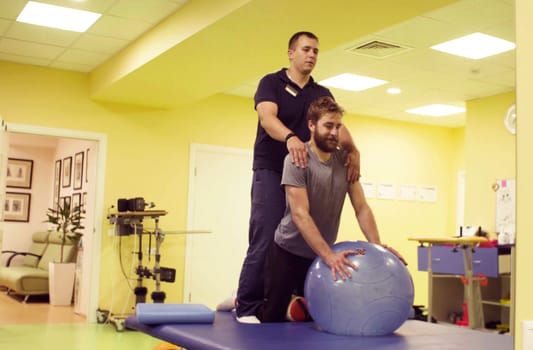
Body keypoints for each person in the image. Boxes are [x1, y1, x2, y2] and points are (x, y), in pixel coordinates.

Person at [234, 31, 361, 323]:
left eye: (316, 51)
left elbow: (336, 127)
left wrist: (355, 150)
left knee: (299, 237)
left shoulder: (321, 93)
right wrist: (290, 137)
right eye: (306, 49)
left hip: (304, 173)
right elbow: (267, 118)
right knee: (265, 237)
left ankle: (283, 298)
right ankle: (247, 304)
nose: (312, 55)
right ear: (291, 53)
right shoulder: (272, 83)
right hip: (272, 167)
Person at [255, 96, 405, 322]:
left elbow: (361, 208)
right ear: (312, 125)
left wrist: (377, 249)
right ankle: (244, 302)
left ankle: (296, 304)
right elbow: (299, 214)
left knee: (318, 320)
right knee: (272, 318)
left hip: (319, 254)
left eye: (338, 126)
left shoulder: (345, 162)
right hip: (287, 251)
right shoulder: (297, 159)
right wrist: (329, 256)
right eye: (328, 126)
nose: (334, 132)